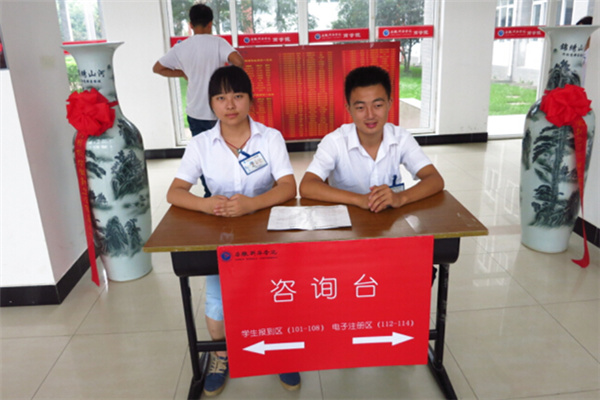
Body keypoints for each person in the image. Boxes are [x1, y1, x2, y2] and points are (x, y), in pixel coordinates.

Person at [166, 65, 300, 397]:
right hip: (221, 232)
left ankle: (279, 349)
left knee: (277, 292)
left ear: (251, 100)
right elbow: (175, 192)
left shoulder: (270, 138)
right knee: (217, 299)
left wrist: (252, 204)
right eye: (221, 98)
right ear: (211, 103)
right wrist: (206, 205)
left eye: (238, 96)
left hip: (266, 230)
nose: (230, 105)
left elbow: (288, 186)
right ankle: (221, 355)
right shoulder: (201, 144)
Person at [299, 66, 444, 284]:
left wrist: (400, 198)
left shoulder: (401, 138)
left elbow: (435, 179)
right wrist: (360, 200)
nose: (370, 115)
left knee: (419, 272)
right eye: (360, 107)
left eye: (377, 105)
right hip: (348, 235)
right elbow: (307, 186)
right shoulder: (335, 141)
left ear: (390, 103)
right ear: (348, 108)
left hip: (391, 230)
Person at [153, 3, 244, 137]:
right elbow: (239, 62)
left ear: (191, 25)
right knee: (222, 146)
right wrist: (223, 77)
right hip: (217, 110)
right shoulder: (218, 43)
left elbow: (157, 68)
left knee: (200, 147)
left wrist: (182, 73)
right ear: (210, 24)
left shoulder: (181, 47)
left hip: (195, 111)